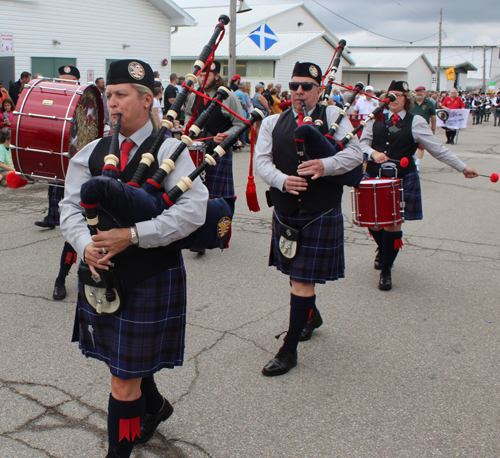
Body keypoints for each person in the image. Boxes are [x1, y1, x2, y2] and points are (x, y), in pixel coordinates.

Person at [59, 59, 208, 458]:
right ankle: (155, 405)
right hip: (101, 276)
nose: (112, 104)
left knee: (123, 380)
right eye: (108, 95)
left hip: (150, 274)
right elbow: (70, 207)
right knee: (123, 366)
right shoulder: (90, 152)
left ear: (147, 99)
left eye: (121, 95)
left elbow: (192, 211)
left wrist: (134, 235)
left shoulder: (173, 150)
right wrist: (82, 242)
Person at [255, 61, 363, 377]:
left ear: (319, 89)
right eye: (294, 86)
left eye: (306, 86)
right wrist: (282, 181)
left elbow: (356, 154)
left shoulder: (334, 117)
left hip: (321, 211)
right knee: (295, 275)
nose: (299, 91)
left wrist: (324, 166)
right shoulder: (272, 122)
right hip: (286, 210)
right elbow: (262, 162)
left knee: (301, 279)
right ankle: (310, 316)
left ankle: (289, 350)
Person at [360, 80, 478, 291]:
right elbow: (361, 143)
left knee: (393, 224)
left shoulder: (417, 122)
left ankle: (386, 269)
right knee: (374, 223)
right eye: (391, 94)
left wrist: (462, 167)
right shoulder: (375, 118)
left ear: (406, 99)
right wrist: (373, 153)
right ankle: (383, 248)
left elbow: (437, 149)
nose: (393, 99)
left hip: (402, 179)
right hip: (374, 177)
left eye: (398, 95)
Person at [34, 65, 81, 300]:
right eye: (61, 81)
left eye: (69, 81)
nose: (64, 85)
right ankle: (61, 278)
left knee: (87, 229)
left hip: (85, 174)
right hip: (62, 169)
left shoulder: (87, 107)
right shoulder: (56, 106)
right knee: (71, 229)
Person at [184, 60, 244, 201]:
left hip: (220, 152)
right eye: (200, 76)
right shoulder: (195, 95)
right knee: (194, 193)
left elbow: (241, 124)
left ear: (217, 76)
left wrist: (225, 136)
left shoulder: (228, 96)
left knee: (217, 198)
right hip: (197, 150)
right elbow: (188, 114)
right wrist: (188, 130)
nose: (202, 79)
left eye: (207, 76)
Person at [410, 86, 436, 169]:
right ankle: (413, 161)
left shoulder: (429, 103)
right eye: (417, 92)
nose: (419, 93)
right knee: (410, 146)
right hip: (410, 127)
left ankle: (417, 164)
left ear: (425, 93)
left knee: (421, 146)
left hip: (423, 127)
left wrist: (433, 128)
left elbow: (433, 116)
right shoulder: (410, 102)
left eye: (421, 92)